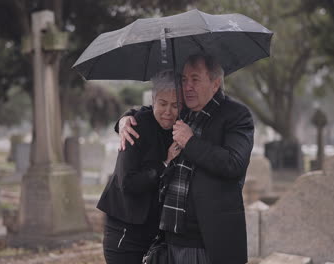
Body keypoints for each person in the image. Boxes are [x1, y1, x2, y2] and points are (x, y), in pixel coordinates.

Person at [117, 53, 254, 264]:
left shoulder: (236, 115)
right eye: (184, 79)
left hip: (208, 240)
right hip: (170, 238)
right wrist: (125, 119)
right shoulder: (184, 112)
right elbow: (154, 109)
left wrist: (190, 142)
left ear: (215, 83)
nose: (187, 86)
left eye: (195, 79)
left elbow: (233, 164)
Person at [97, 70, 181, 264]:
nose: (168, 111)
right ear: (153, 100)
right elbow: (128, 183)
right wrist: (165, 164)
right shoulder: (135, 126)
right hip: (125, 232)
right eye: (162, 104)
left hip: (155, 234)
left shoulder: (178, 129)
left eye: (175, 105)